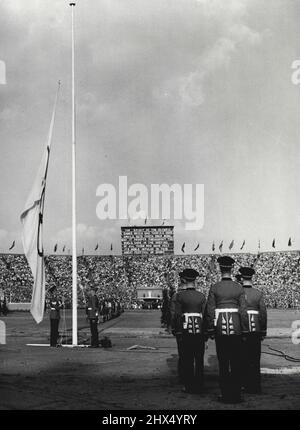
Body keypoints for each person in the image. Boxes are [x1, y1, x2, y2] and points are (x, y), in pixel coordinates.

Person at [204, 256, 248, 403]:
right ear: (232, 269)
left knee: (223, 364)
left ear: (220, 268)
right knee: (236, 363)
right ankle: (236, 394)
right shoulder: (239, 287)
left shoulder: (215, 287)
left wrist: (210, 329)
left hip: (220, 330)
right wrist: (245, 330)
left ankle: (225, 394)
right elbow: (243, 311)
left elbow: (210, 311)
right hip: (236, 329)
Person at [170, 268, 206, 394]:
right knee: (199, 359)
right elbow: (205, 315)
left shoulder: (179, 296)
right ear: (195, 280)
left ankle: (189, 384)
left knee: (187, 358)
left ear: (184, 279)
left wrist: (177, 331)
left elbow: (176, 315)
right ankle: (200, 384)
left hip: (185, 331)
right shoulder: (201, 296)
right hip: (199, 331)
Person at [239, 266, 267, 394]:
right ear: (251, 277)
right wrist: (263, 331)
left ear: (242, 277)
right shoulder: (258, 293)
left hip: (242, 329)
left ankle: (243, 384)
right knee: (255, 359)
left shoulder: (238, 293)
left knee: (242, 359)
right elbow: (263, 314)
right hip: (255, 330)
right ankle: (255, 386)